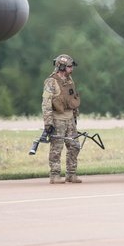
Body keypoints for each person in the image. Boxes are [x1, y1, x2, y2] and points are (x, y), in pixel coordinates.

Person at [42, 54, 82, 184]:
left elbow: (72, 99)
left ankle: (71, 174)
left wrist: (75, 117)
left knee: (75, 146)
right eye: (70, 66)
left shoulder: (70, 81)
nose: (72, 69)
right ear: (62, 67)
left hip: (70, 118)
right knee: (56, 148)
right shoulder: (51, 82)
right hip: (57, 119)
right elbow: (46, 103)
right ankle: (55, 175)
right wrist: (48, 122)